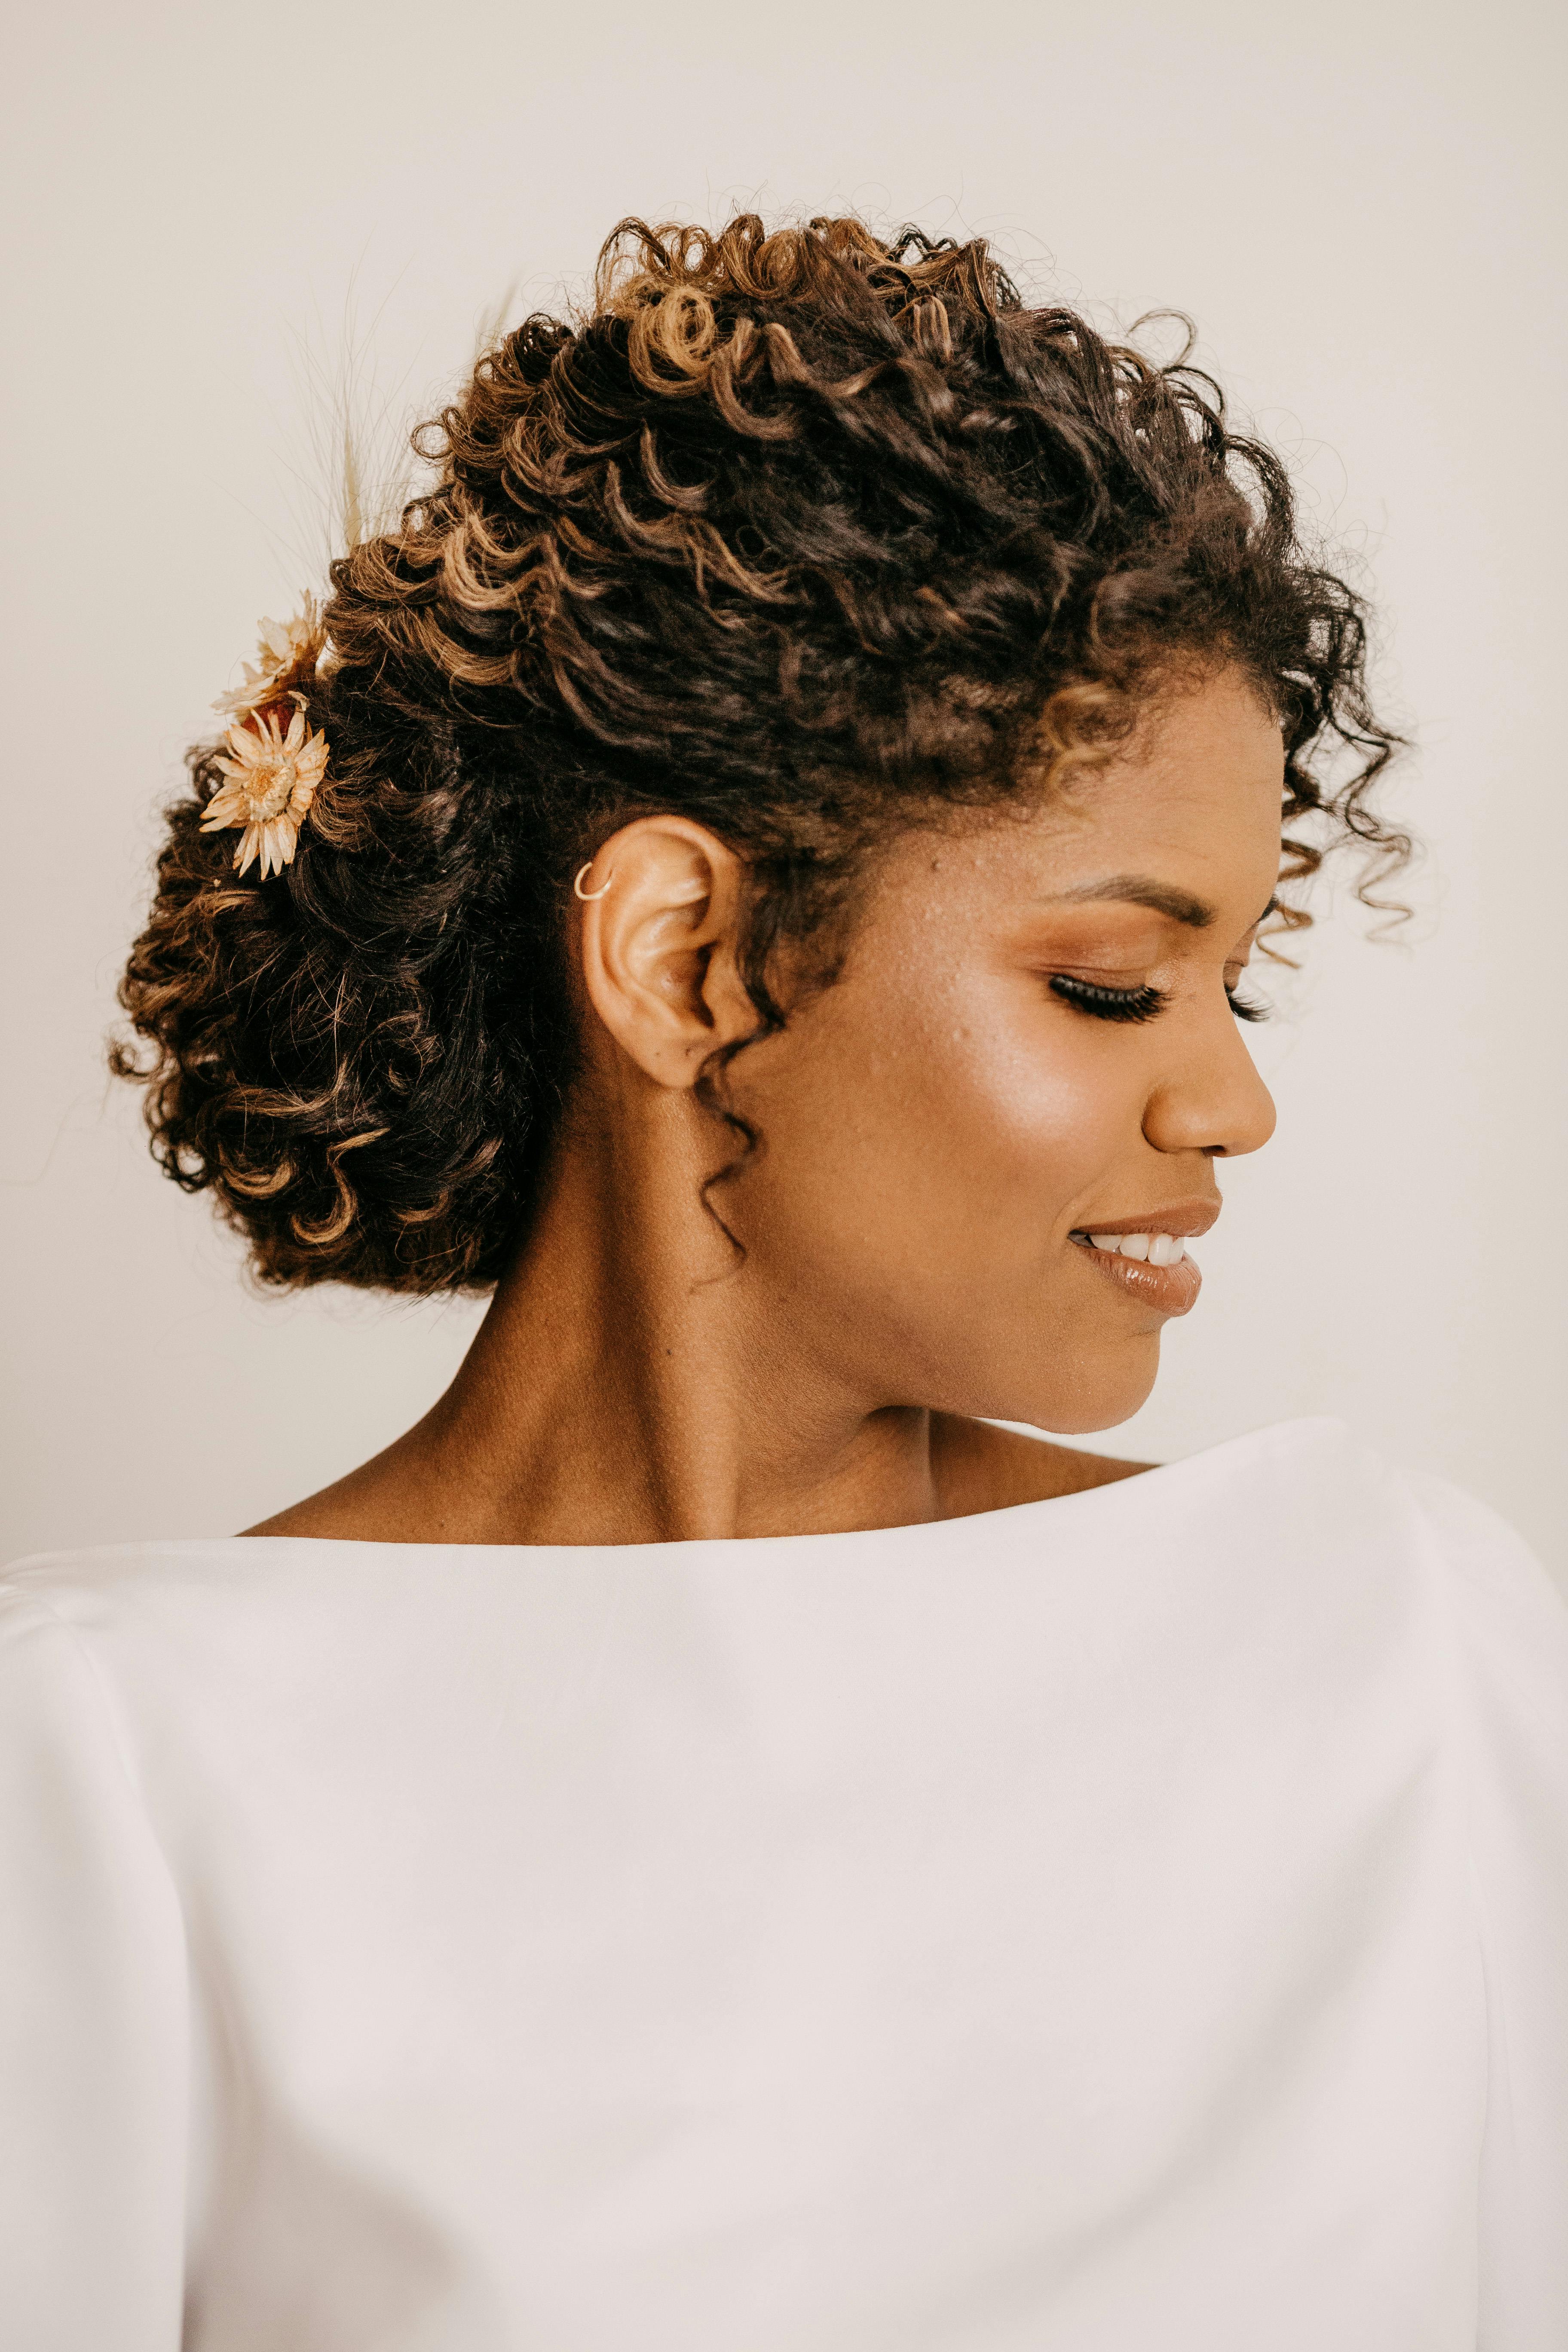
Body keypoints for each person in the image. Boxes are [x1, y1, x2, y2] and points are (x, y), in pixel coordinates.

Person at [3, 212, 1564, 2349]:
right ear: (685, 962)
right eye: (1116, 985)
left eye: (1241, 985)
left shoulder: (1397, 1655)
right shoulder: (112, 1777)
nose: (1232, 1106)